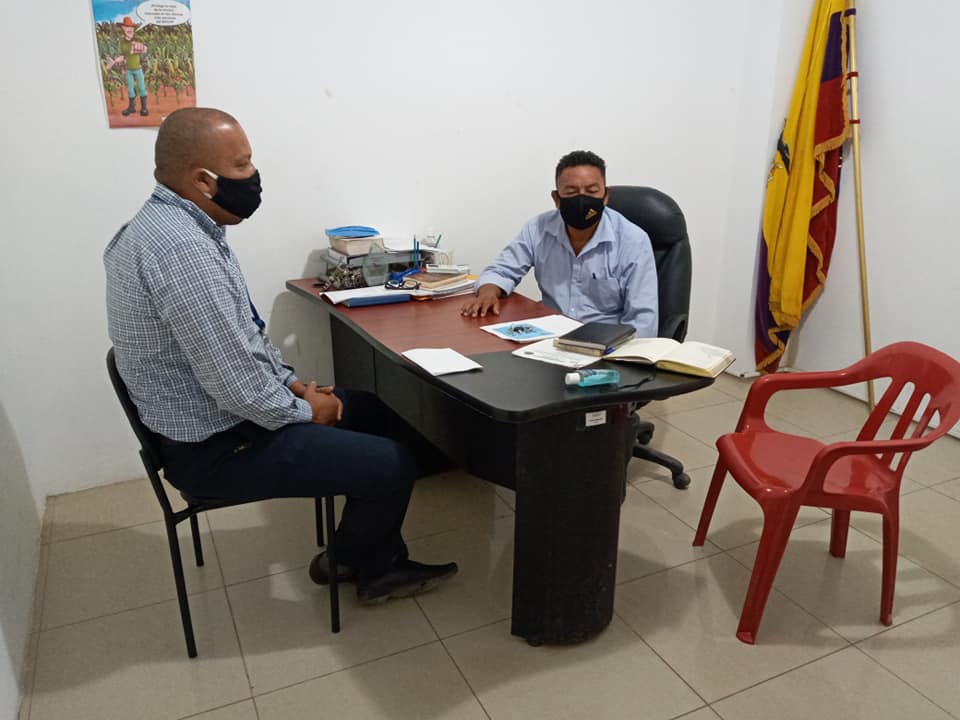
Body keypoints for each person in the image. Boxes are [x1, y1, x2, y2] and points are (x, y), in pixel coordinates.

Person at [104, 107, 457, 605]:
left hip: (225, 418)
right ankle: (372, 569)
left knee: (374, 411)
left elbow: (244, 339)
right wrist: (306, 411)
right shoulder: (181, 250)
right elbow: (234, 386)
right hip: (215, 447)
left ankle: (357, 550)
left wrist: (291, 384)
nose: (253, 175)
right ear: (203, 180)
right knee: (391, 462)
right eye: (242, 165)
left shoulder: (174, 227)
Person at [460, 150, 658, 337]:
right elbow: (501, 270)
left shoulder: (633, 241)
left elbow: (643, 322)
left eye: (591, 191)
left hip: (605, 342)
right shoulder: (538, 228)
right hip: (548, 336)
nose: (582, 200)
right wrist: (488, 292)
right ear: (556, 198)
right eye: (571, 192)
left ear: (606, 196)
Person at [105, 16, 149, 117]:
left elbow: (145, 49)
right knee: (130, 89)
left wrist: (138, 47)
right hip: (129, 70)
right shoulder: (122, 42)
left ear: (133, 29)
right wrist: (117, 62)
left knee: (142, 88)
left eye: (131, 27)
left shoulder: (137, 39)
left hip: (138, 69)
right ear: (123, 28)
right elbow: (123, 56)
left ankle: (144, 108)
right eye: (127, 27)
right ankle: (132, 108)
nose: (129, 29)